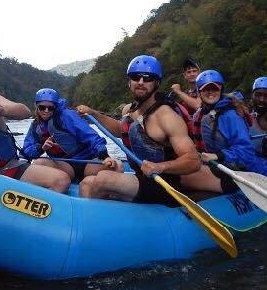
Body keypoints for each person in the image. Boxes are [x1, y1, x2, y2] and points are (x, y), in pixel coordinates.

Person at [77, 55, 201, 205]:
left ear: (157, 82)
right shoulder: (129, 110)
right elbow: (118, 130)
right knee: (86, 183)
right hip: (142, 177)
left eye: (148, 78)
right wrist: (94, 113)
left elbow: (193, 161)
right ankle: (98, 222)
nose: (141, 82)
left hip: (165, 183)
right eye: (136, 77)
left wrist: (160, 167)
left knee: (103, 178)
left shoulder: (166, 115)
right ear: (129, 82)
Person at [180, 70, 267, 194]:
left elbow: (246, 151)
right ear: (199, 92)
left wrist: (218, 155)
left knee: (185, 177)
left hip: (241, 168)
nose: (210, 92)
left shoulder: (231, 115)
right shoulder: (199, 115)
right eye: (206, 89)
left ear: (221, 89)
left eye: (214, 89)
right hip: (217, 165)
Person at [22, 88, 118, 181]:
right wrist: (41, 148)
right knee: (38, 163)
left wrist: (104, 155)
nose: (46, 111)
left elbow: (91, 136)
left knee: (117, 166)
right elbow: (27, 150)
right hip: (65, 166)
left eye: (50, 108)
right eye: (42, 107)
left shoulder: (67, 115)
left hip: (87, 161)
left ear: (55, 107)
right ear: (36, 106)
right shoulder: (35, 126)